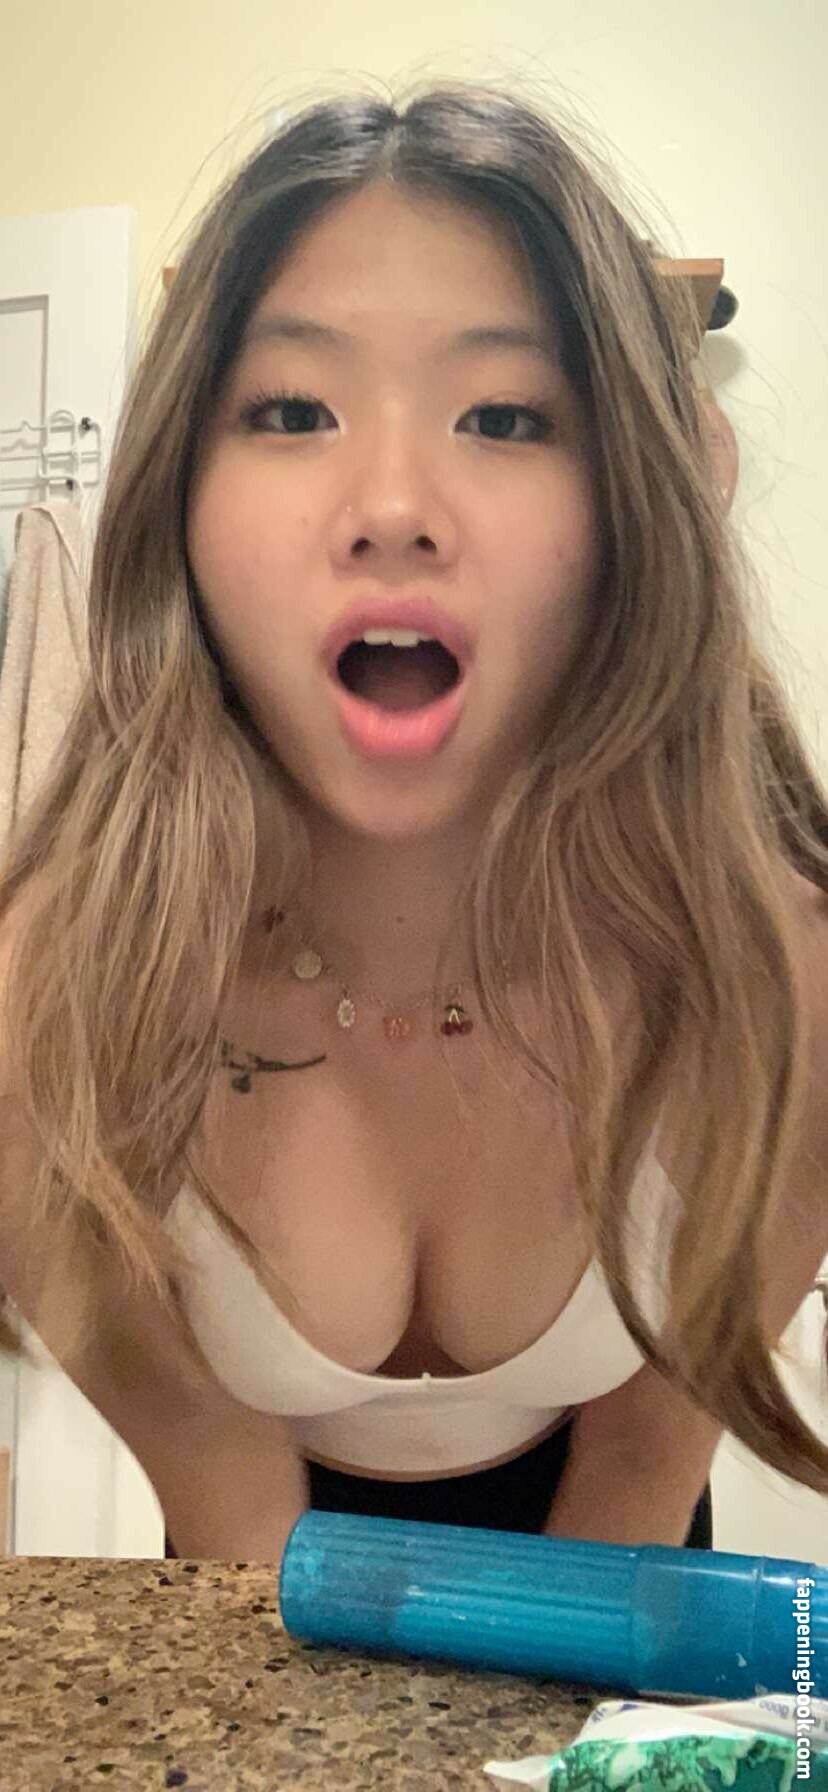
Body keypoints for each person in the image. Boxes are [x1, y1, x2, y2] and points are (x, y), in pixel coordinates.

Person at [0, 80, 826, 1566]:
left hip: (627, 1561)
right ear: (177, 504)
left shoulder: (783, 975)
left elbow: (642, 1478)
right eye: (291, 411)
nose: (393, 504)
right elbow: (228, 1509)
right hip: (261, 1580)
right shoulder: (48, 1003)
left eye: (507, 415)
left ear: (634, 506)